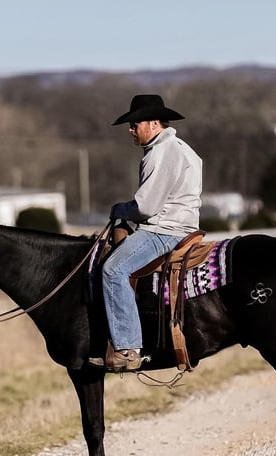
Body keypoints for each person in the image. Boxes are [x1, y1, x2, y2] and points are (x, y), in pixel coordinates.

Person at [89, 94, 203, 371]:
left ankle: (128, 349)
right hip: (186, 226)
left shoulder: (159, 153)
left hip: (165, 230)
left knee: (112, 270)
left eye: (134, 124)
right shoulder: (184, 149)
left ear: (153, 123)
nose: (130, 130)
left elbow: (145, 207)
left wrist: (119, 210)